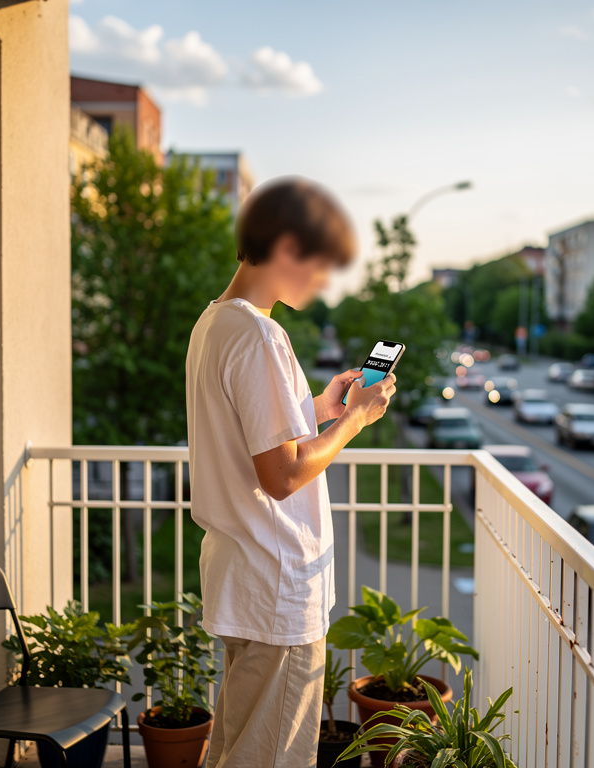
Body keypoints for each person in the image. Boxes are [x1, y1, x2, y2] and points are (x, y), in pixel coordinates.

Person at [185, 177, 397, 767]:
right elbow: (281, 476)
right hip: (276, 584)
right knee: (273, 756)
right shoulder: (259, 334)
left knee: (237, 748)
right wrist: (353, 422)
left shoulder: (215, 324)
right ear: (285, 248)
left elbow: (254, 439)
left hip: (244, 574)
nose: (325, 281)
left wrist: (320, 412)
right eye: (321, 264)